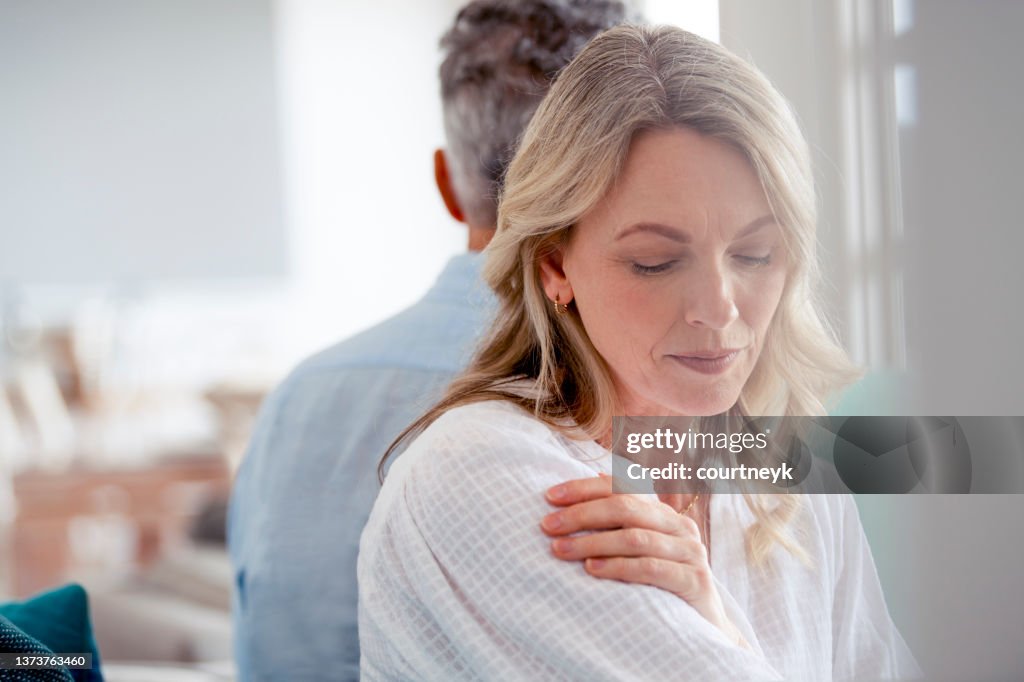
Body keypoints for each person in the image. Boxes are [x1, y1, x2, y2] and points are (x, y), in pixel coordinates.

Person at [357, 24, 923, 681]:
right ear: (553, 266)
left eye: (754, 254)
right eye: (655, 262)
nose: (719, 308)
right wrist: (721, 632)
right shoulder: (482, 469)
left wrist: (716, 619)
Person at [227, 2, 633, 679]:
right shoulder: (638, 390)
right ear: (624, 176)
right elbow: (860, 461)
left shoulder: (294, 404)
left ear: (446, 182)